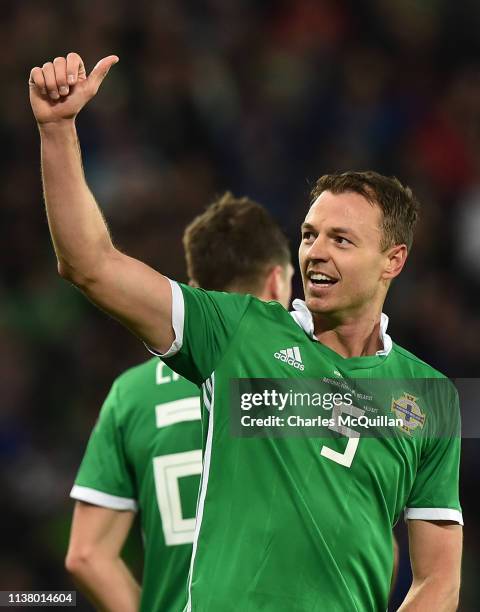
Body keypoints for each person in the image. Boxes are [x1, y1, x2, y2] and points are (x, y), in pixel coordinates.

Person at [29, 54, 462, 611]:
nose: (316, 252)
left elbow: (438, 580)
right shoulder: (237, 332)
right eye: (308, 235)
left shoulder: (428, 397)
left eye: (341, 240)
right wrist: (57, 131)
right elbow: (90, 264)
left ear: (393, 260)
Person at [64, 193, 293, 612]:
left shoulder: (130, 394)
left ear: (191, 289)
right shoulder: (304, 381)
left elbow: (86, 554)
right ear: (278, 281)